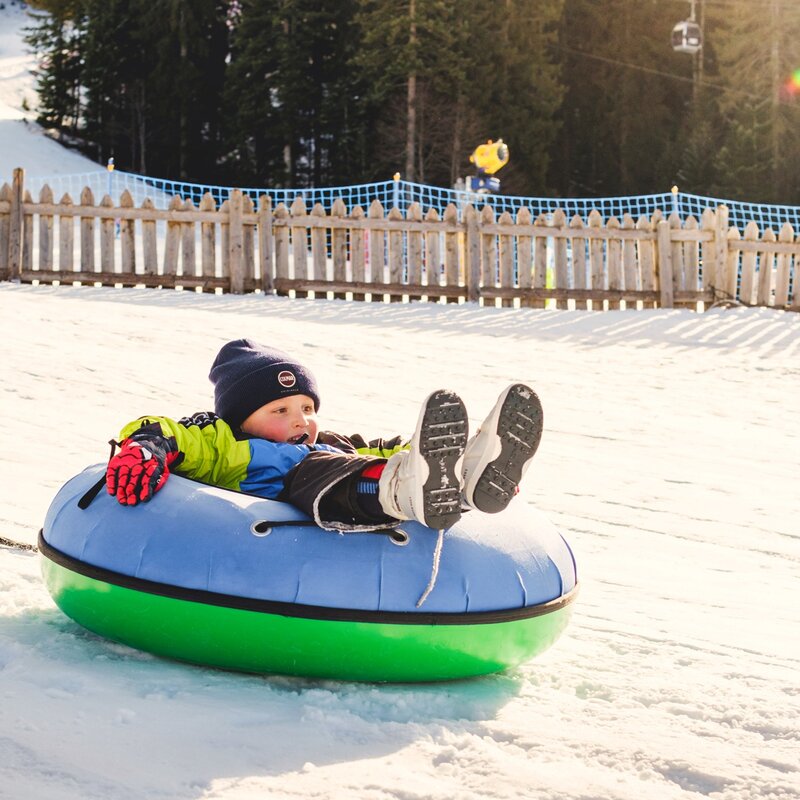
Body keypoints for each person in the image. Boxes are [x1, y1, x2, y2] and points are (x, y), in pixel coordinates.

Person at [106, 339, 544, 532]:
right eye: (280, 410)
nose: (300, 420)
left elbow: (380, 447)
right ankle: (408, 490)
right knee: (315, 470)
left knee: (355, 456)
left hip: (351, 475)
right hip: (307, 495)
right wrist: (146, 449)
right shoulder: (224, 444)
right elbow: (168, 432)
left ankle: (467, 480)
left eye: (307, 408)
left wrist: (428, 450)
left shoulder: (325, 442)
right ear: (241, 419)